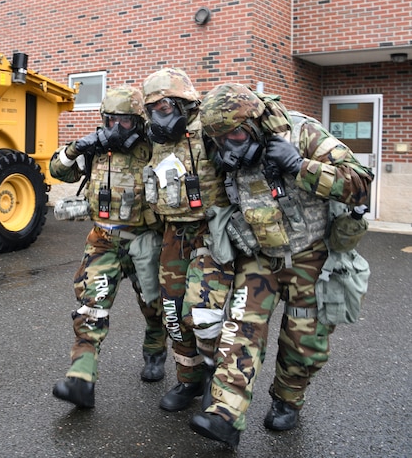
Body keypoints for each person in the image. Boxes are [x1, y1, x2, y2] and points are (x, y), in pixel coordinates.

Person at [188, 83, 373, 448]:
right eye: (221, 139)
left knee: (304, 343)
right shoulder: (216, 145)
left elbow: (360, 183)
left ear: (256, 124)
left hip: (309, 257)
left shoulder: (302, 132)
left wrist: (300, 165)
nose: (229, 146)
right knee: (241, 330)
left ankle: (288, 400)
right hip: (258, 257)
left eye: (237, 134)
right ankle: (225, 413)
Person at [50, 85, 167, 409]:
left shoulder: (155, 147)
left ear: (139, 122)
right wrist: (77, 147)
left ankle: (155, 352)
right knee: (91, 307)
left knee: (153, 305)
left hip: (144, 239)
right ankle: (81, 379)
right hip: (104, 240)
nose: (117, 129)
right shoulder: (97, 147)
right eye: (111, 120)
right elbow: (57, 170)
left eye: (125, 122)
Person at [141, 68, 231, 412]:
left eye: (163, 107)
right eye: (151, 110)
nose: (157, 116)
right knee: (172, 312)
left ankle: (214, 381)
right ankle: (188, 380)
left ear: (183, 102)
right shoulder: (155, 138)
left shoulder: (210, 128)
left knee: (205, 312)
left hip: (210, 232)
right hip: (173, 233)